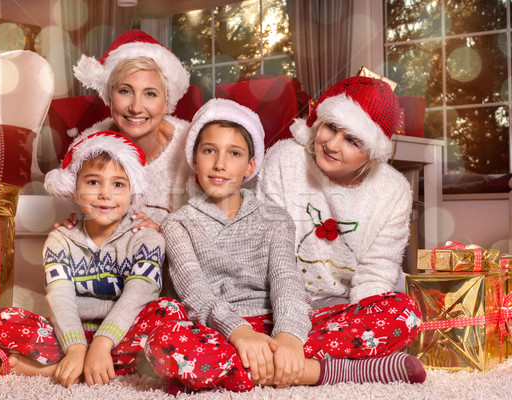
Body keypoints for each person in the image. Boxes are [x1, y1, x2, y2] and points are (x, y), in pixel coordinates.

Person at [143, 99, 426, 394]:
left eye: (235, 153)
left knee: (403, 310)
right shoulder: (177, 224)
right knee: (162, 341)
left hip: (278, 323)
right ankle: (325, 370)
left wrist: (289, 336)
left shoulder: (275, 218)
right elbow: (196, 295)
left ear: (251, 165)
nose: (220, 164)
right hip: (219, 330)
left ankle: (241, 371)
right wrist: (240, 333)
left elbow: (286, 281)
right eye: (209, 151)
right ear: (194, 158)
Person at [0, 131, 183, 387]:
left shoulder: (146, 238)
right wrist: (76, 347)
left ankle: (55, 369)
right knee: (1, 320)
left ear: (131, 193)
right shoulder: (61, 239)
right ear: (74, 190)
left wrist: (102, 342)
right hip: (71, 330)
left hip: (123, 332)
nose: (105, 194)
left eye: (118, 184)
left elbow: (140, 292)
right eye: (93, 182)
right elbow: (60, 295)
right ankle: (83, 362)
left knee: (171, 313)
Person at [256, 76, 423, 359]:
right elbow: (272, 255)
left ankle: (290, 359)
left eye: (351, 140)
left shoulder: (393, 190)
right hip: (280, 301)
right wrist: (290, 326)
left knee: (406, 314)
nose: (332, 145)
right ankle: (325, 360)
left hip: (345, 305)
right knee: (236, 321)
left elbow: (377, 270)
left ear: (371, 154)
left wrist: (362, 316)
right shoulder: (284, 160)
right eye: (331, 127)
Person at [66, 29, 194, 230]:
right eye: (125, 91)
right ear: (109, 97)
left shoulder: (193, 146)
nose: (135, 107)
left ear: (166, 103)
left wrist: (163, 235)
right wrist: (77, 229)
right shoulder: (87, 149)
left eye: (150, 94)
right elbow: (80, 218)